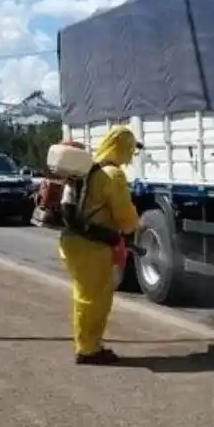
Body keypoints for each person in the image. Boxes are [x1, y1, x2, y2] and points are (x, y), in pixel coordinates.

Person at [58, 125, 141, 365]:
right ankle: (88, 349)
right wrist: (132, 226)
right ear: (121, 148)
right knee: (93, 299)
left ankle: (88, 344)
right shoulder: (112, 175)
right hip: (91, 246)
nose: (130, 155)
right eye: (130, 149)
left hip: (75, 241)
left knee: (86, 295)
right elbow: (124, 215)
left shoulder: (88, 169)